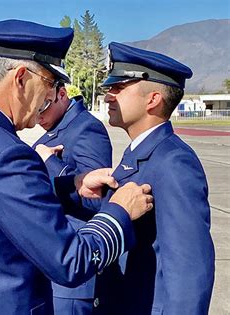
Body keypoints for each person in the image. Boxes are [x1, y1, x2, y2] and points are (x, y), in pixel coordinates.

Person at [0, 19, 154, 314]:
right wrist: (119, 212)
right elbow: (70, 262)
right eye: (50, 84)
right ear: (20, 78)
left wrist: (69, 185)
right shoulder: (4, 154)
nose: (48, 98)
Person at [92, 42, 215, 314]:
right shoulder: (141, 152)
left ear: (153, 99)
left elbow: (189, 272)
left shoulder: (174, 162)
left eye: (118, 88)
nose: (108, 96)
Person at [33, 83, 112, 314]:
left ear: (61, 94)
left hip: (72, 280)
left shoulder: (86, 128)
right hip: (52, 266)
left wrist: (50, 163)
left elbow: (97, 198)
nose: (39, 116)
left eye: (44, 107)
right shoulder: (56, 129)